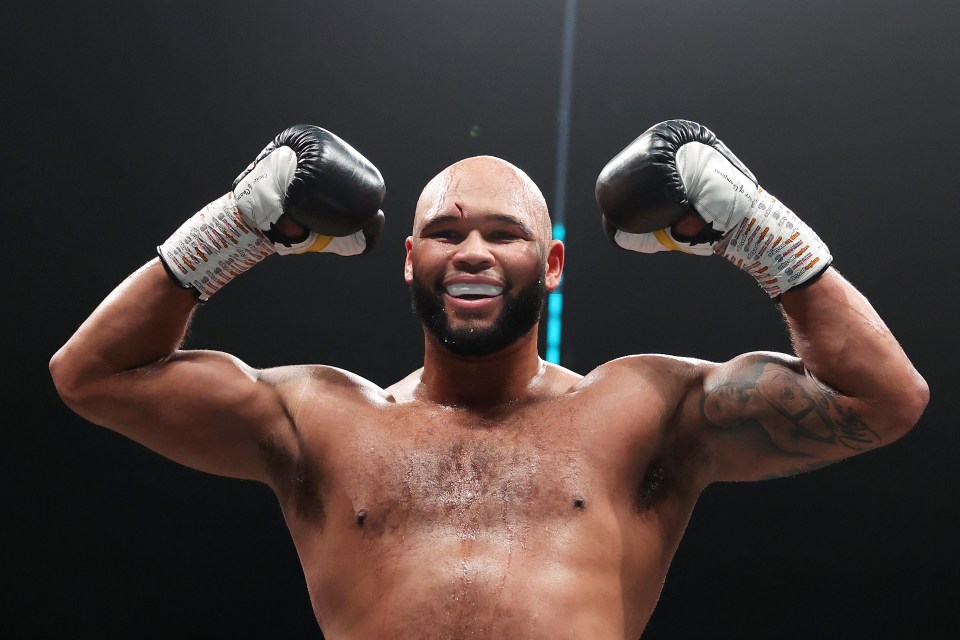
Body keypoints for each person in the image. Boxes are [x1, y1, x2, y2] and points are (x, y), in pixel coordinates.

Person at [49, 119, 928, 639]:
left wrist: (749, 224)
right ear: (408, 260)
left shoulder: (639, 411)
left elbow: (884, 401)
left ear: (549, 263)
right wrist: (240, 223)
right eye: (446, 232)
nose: (472, 252)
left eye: (503, 234)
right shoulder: (322, 417)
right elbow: (91, 375)